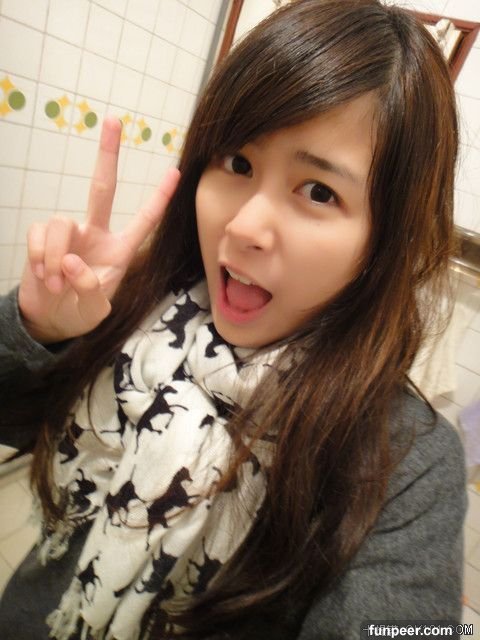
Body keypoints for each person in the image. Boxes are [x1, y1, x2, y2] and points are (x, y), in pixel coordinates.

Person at [0, 0, 467, 638]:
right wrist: (40, 329)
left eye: (319, 192)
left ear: (386, 240)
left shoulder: (406, 462)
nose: (243, 227)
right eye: (238, 164)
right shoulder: (138, 308)